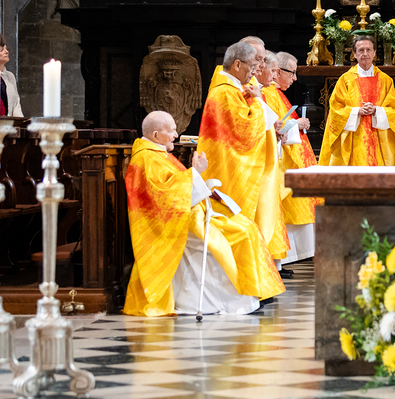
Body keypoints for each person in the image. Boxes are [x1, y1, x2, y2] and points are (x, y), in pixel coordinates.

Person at [124, 111, 284, 316]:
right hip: (175, 224)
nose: (176, 135)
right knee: (242, 234)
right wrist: (196, 172)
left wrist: (203, 184)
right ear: (155, 135)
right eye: (171, 130)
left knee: (248, 228)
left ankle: (254, 292)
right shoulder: (147, 158)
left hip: (188, 214)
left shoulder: (157, 153)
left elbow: (175, 187)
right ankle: (238, 299)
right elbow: (164, 198)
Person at [199, 41, 289, 260]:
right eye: (252, 65)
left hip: (234, 164)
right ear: (237, 65)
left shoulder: (233, 89)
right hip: (230, 168)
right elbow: (246, 129)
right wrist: (257, 100)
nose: (255, 71)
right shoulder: (225, 92)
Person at [321, 36, 395, 166]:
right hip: (354, 136)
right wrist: (357, 111)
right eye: (361, 50)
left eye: (369, 50)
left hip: (379, 137)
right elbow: (336, 109)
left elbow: (394, 109)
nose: (365, 54)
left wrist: (376, 110)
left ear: (374, 53)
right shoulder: (345, 80)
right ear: (354, 54)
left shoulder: (385, 80)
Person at [269, 51, 319, 264]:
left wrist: (296, 125)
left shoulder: (277, 93)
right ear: (278, 71)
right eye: (291, 73)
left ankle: (288, 258)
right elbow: (271, 127)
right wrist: (296, 125)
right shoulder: (269, 93)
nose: (294, 78)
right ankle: (284, 258)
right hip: (282, 162)